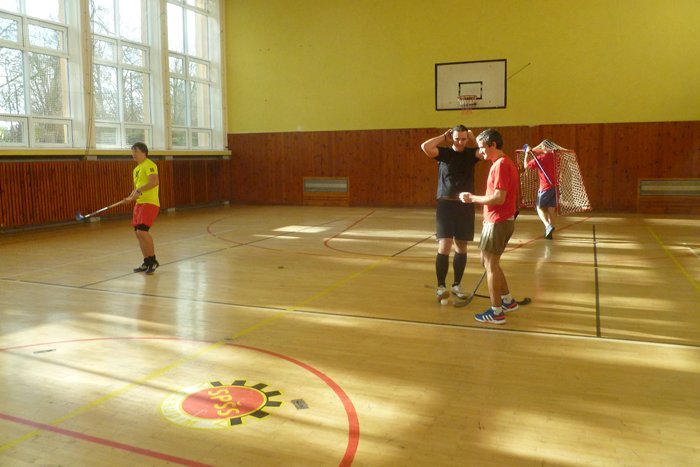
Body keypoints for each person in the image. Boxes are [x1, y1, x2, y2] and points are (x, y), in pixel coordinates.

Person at [459, 129, 519, 324]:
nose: (481, 151)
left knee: (490, 266)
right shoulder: (503, 163)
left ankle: (496, 312)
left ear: (493, 144)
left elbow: (498, 198)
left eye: (483, 147)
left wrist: (472, 198)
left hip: (497, 222)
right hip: (499, 221)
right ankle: (507, 301)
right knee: (487, 262)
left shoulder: (500, 166)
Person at [420, 125, 480, 303]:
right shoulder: (444, 153)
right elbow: (425, 147)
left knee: (461, 246)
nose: (460, 142)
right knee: (445, 244)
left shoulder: (471, 154)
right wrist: (442, 136)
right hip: (446, 205)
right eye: (457, 139)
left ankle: (456, 285)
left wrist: (473, 137)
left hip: (465, 205)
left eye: (463, 139)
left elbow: (485, 152)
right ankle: (441, 287)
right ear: (452, 137)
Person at [125, 142, 160, 274]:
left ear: (144, 153)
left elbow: (154, 181)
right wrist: (130, 198)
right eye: (132, 152)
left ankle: (153, 261)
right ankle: (146, 262)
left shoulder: (149, 164)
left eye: (136, 151)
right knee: (138, 233)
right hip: (139, 203)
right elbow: (136, 189)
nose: (133, 154)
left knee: (142, 231)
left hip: (150, 203)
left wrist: (139, 190)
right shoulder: (136, 169)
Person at [525, 146, 557, 239]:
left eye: (542, 146)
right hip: (555, 187)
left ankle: (547, 225)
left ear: (545, 147)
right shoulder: (556, 157)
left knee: (539, 208)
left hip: (545, 187)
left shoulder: (541, 158)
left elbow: (526, 166)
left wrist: (527, 154)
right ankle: (549, 230)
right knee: (551, 209)